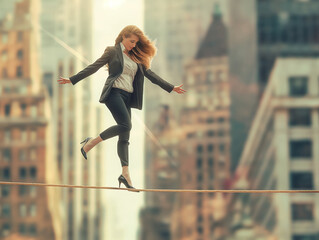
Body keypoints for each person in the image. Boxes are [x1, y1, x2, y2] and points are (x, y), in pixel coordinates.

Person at [58, 25, 186, 190]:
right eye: (131, 41)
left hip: (127, 97)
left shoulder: (137, 58)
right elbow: (94, 66)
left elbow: (151, 75)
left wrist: (171, 87)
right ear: (123, 37)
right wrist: (72, 79)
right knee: (126, 125)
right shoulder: (112, 51)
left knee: (125, 137)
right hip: (114, 94)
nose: (133, 45)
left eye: (136, 43)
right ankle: (92, 142)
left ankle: (125, 173)